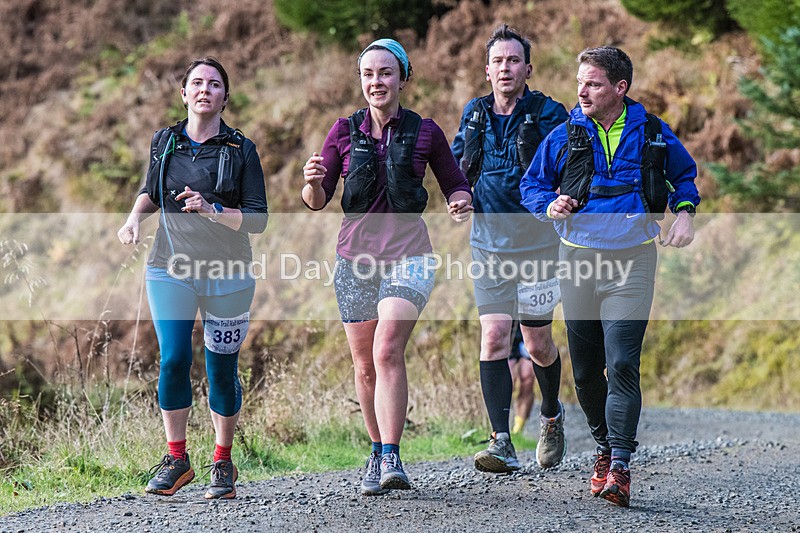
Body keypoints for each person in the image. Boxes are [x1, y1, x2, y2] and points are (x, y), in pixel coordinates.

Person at [520, 46, 699, 507]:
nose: (582, 90)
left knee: (621, 362)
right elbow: (532, 185)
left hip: (633, 261)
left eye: (594, 83)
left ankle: (620, 463)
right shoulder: (564, 134)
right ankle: (602, 446)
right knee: (585, 374)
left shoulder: (653, 132)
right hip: (577, 261)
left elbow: (684, 178)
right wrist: (549, 204)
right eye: (580, 81)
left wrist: (685, 214)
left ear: (620, 88)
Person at [301, 38, 473, 496]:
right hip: (353, 259)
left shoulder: (426, 132)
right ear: (361, 81)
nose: (377, 82)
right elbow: (317, 202)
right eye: (369, 74)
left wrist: (460, 202)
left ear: (402, 77)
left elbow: (456, 184)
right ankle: (376, 453)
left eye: (385, 73)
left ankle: (393, 456)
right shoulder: (342, 130)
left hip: (409, 255)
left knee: (386, 350)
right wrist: (313, 184)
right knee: (364, 365)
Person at [117, 56, 269, 500]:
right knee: (173, 359)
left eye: (214, 84)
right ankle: (177, 458)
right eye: (196, 83)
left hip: (228, 273)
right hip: (170, 268)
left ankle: (222, 461)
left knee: (221, 370)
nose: (204, 90)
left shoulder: (242, 150)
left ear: (225, 96)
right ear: (183, 93)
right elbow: (150, 190)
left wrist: (212, 210)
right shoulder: (164, 141)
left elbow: (258, 221)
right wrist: (133, 221)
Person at [451, 24, 569, 473]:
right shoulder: (475, 114)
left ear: (528, 68)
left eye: (513, 60)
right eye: (498, 61)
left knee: (537, 344)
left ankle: (552, 414)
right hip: (487, 246)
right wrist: (458, 197)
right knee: (495, 336)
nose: (505, 68)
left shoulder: (548, 113)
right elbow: (459, 169)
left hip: (538, 246)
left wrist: (567, 197)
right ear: (487, 70)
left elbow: (574, 160)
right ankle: (502, 440)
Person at [508, 324, 535, 436]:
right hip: (508, 332)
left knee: (527, 378)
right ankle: (501, 428)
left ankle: (518, 427)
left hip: (528, 328)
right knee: (508, 382)